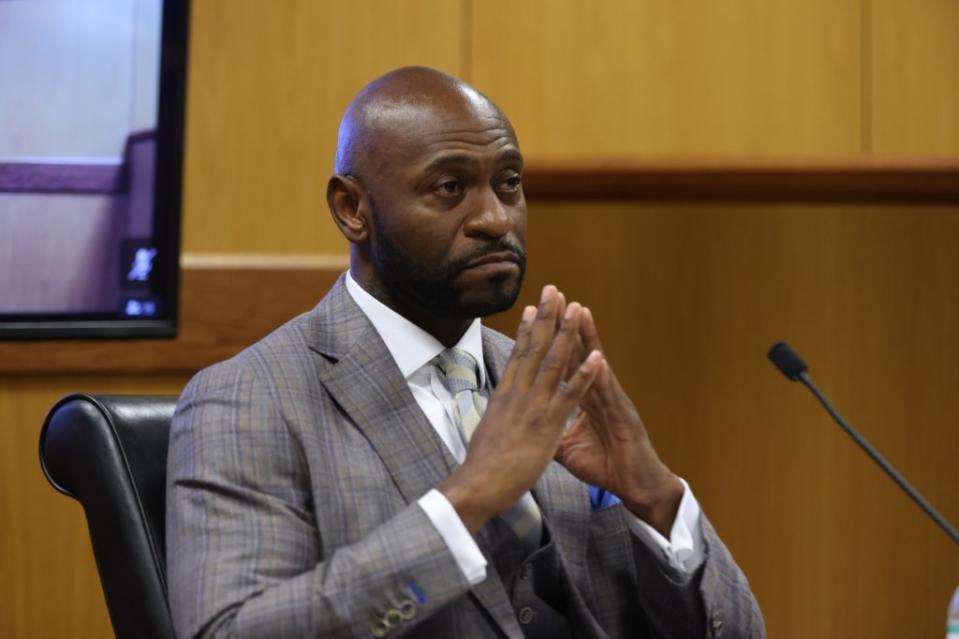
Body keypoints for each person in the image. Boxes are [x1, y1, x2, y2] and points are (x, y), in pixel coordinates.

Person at [166, 66, 764, 638]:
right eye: (450, 188)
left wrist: (653, 499)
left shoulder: (548, 386)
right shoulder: (250, 399)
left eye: (509, 183)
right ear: (353, 210)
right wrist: (470, 498)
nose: (495, 218)